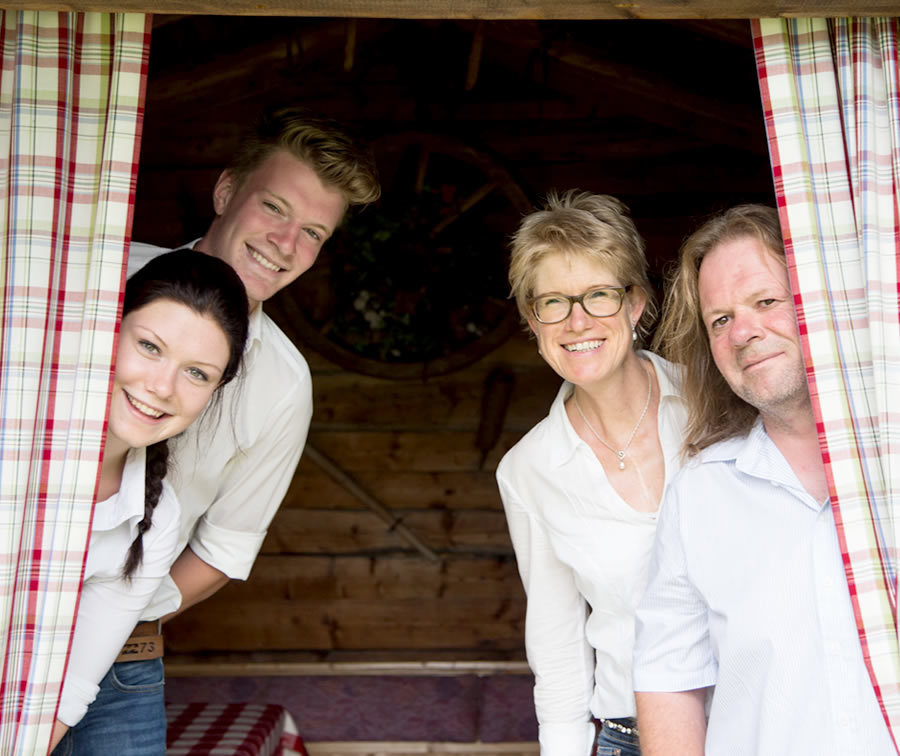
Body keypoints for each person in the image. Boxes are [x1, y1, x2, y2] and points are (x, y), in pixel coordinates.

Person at [114, 106, 380, 742]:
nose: (286, 244)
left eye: (314, 232)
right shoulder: (106, 277)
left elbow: (225, 545)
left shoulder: (285, 385)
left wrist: (120, 620)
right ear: (227, 191)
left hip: (120, 664)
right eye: (276, 209)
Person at [632, 204, 894, 755]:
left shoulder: (889, 460)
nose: (743, 332)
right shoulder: (700, 495)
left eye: (766, 301)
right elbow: (668, 681)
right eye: (720, 319)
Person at [495, 191, 688, 756]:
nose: (577, 321)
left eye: (598, 295)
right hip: (631, 733)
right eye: (552, 302)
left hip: (760, 716)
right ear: (533, 321)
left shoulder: (714, 405)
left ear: (635, 305)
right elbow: (556, 645)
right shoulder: (529, 469)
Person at [50, 250, 249, 754]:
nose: (162, 387)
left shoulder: (157, 522)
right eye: (149, 346)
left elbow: (66, 699)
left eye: (197, 373)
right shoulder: (21, 454)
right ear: (107, 332)